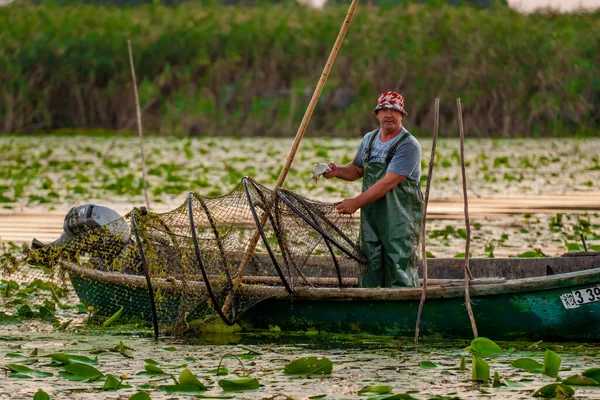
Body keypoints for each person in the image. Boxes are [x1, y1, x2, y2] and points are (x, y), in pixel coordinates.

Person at [323, 91, 423, 288]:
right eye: (384, 110)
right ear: (376, 114)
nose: (389, 114)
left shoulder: (408, 145)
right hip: (371, 218)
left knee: (398, 263)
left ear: (402, 115)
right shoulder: (369, 140)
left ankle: (402, 307)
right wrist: (338, 171)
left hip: (400, 220)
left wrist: (355, 203)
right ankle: (370, 301)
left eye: (394, 110)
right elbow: (357, 170)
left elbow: (387, 183)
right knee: (370, 263)